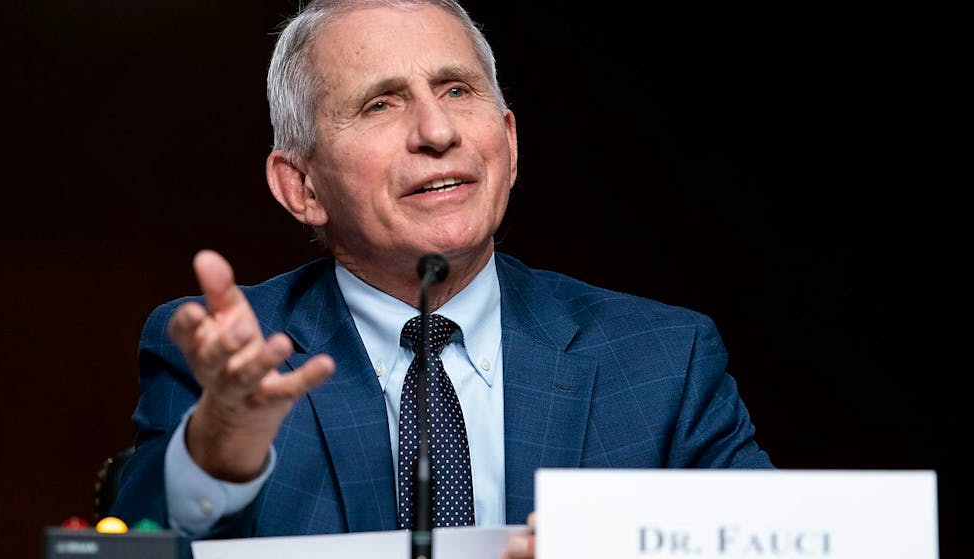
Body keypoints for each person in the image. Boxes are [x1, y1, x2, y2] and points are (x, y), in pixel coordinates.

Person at [110, 1, 774, 558]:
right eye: (380, 104)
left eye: (457, 90)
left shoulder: (664, 360)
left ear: (509, 143)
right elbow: (127, 541)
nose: (436, 130)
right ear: (302, 185)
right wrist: (218, 452)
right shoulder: (228, 356)